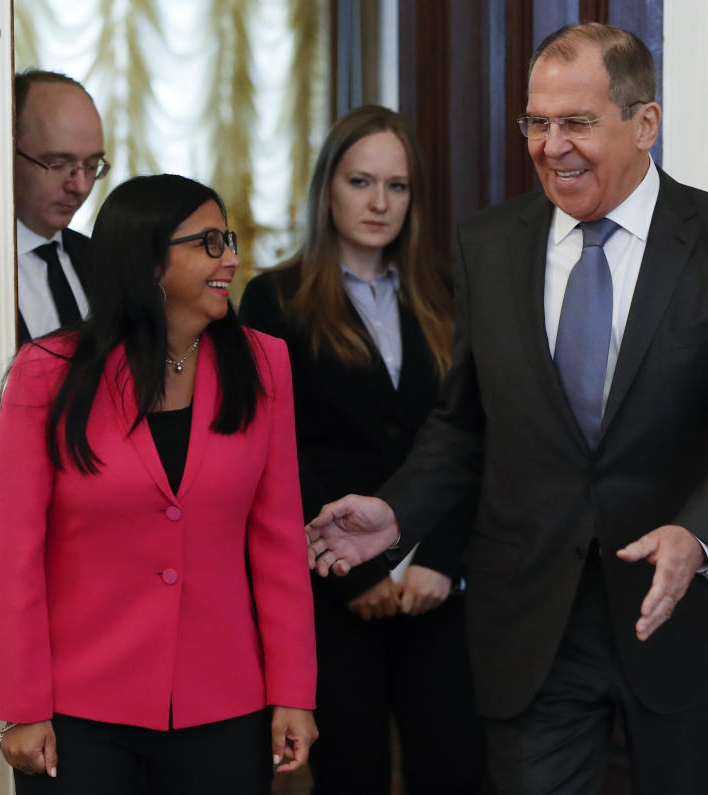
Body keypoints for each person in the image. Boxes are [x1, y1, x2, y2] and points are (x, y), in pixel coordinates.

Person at [306, 23, 708, 795]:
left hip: (682, 616)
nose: (551, 145)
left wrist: (699, 532)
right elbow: (466, 423)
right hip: (532, 624)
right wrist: (397, 512)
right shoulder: (489, 244)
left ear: (645, 125)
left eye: (576, 123)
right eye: (537, 122)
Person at [0, 174, 318, 794]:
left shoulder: (264, 362)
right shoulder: (47, 374)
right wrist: (21, 705)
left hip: (225, 705)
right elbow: (15, 555)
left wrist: (293, 692)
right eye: (209, 243)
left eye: (230, 239)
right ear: (147, 261)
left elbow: (277, 544)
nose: (233, 259)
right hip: (80, 711)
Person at [239, 105, 485, 794]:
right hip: (333, 587)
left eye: (397, 186)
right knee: (352, 773)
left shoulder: (449, 293)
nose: (379, 202)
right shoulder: (273, 299)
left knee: (456, 766)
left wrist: (438, 559)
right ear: (328, 189)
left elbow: (476, 430)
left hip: (437, 584)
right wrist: (355, 569)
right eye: (360, 181)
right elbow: (278, 451)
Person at [14, 70, 107, 345]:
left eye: (91, 166)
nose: (79, 186)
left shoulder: (102, 264)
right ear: (7, 152)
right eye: (57, 164)